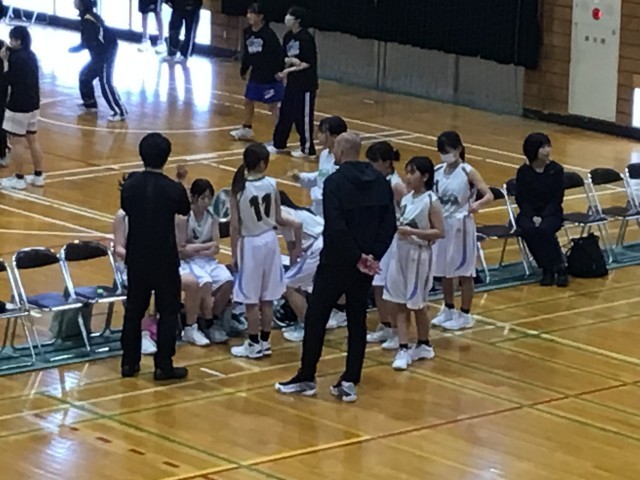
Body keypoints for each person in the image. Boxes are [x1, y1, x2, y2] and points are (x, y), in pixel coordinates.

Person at [275, 132, 397, 403]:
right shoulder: (380, 181)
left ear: (340, 152)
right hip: (366, 266)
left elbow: (336, 226)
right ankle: (350, 379)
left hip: (336, 262)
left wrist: (356, 257)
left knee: (316, 317)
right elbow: (389, 224)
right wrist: (372, 256)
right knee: (357, 320)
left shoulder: (335, 182)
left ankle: (307, 376)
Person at [120, 133, 191, 381]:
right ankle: (163, 365)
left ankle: (129, 363)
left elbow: (127, 208)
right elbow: (184, 208)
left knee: (133, 311)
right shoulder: (172, 189)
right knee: (168, 312)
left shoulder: (130, 186)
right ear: (166, 157)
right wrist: (180, 181)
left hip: (137, 257)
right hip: (164, 259)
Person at [229, 143, 301, 358]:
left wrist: (233, 254)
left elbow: (235, 226)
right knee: (268, 297)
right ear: (262, 164)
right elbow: (278, 218)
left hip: (250, 244)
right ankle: (265, 342)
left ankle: (253, 344)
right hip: (270, 241)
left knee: (251, 298)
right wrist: (297, 223)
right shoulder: (271, 184)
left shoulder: (238, 190)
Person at [383, 156, 445, 370]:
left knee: (417, 305)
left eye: (412, 173)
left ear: (425, 176)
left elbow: (440, 232)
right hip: (400, 252)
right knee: (398, 302)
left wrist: (413, 232)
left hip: (419, 256)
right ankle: (403, 347)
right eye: (407, 172)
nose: (408, 177)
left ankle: (424, 344)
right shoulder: (407, 198)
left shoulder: (431, 200)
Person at [430, 131, 493, 331]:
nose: (444, 155)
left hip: (461, 225)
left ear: (458, 149)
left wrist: (477, 205)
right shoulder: (437, 171)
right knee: (445, 271)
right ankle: (448, 309)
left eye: (447, 151)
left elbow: (489, 195)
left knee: (464, 272)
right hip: (443, 225)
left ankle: (465, 314)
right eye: (441, 151)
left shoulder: (468, 171)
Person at [176, 178, 235, 344]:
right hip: (188, 263)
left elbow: (216, 247)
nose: (207, 202)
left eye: (209, 198)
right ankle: (203, 323)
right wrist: (204, 246)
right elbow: (182, 250)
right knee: (205, 282)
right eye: (203, 198)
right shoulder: (184, 218)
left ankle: (211, 319)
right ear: (194, 197)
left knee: (228, 281)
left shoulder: (212, 217)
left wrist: (196, 248)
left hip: (208, 260)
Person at [365, 141, 407, 350]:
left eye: (375, 161)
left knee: (390, 287)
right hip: (380, 238)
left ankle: (399, 332)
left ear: (386, 162)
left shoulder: (396, 185)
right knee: (378, 284)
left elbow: (408, 212)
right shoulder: (378, 181)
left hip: (394, 241)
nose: (371, 165)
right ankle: (385, 325)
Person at [515, 132, 567, 287]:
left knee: (544, 229)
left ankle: (559, 266)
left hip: (551, 212)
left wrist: (543, 216)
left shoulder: (556, 170)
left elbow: (556, 198)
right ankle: (547, 267)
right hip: (529, 213)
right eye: (542, 147)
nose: (547, 150)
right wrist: (532, 216)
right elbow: (522, 198)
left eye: (548, 146)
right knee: (528, 229)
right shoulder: (524, 172)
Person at [230, 3, 284, 141]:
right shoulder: (247, 32)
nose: (249, 16)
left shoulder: (269, 34)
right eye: (248, 13)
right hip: (256, 74)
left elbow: (279, 54)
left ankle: (280, 136)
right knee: (248, 101)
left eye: (252, 13)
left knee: (273, 106)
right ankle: (246, 128)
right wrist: (244, 68)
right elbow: (247, 53)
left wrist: (279, 72)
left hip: (270, 76)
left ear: (260, 17)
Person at [269, 6, 318, 158]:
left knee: (303, 117)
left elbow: (307, 63)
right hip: (292, 83)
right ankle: (279, 144)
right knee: (286, 113)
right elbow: (284, 56)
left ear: (298, 20)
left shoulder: (306, 38)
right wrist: (286, 65)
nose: (287, 18)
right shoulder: (288, 36)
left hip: (306, 84)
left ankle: (307, 149)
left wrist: (288, 70)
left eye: (290, 15)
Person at [0, 26, 44, 190]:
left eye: (12, 39)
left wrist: (5, 62)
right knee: (32, 140)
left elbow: (7, 81)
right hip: (33, 104)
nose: (10, 42)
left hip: (18, 105)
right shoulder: (31, 55)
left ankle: (18, 178)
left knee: (17, 142)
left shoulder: (16, 59)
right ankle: (38, 176)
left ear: (18, 40)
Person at [69, 0, 128, 122]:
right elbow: (87, 41)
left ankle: (120, 111)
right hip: (99, 53)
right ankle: (90, 104)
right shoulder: (87, 17)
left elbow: (89, 42)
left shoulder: (89, 20)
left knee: (105, 81)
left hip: (106, 51)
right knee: (85, 76)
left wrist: (78, 48)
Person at [278, 191, 323, 342]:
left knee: (288, 285)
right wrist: (293, 267)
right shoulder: (297, 211)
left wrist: (298, 246)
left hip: (318, 246)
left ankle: (307, 328)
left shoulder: (281, 211)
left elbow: (298, 225)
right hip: (327, 242)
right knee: (298, 283)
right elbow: (291, 247)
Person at [288, 116, 348, 217]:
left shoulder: (342, 160)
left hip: (328, 211)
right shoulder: (324, 154)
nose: (318, 135)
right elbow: (321, 176)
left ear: (335, 137)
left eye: (322, 133)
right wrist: (300, 177)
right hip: (316, 208)